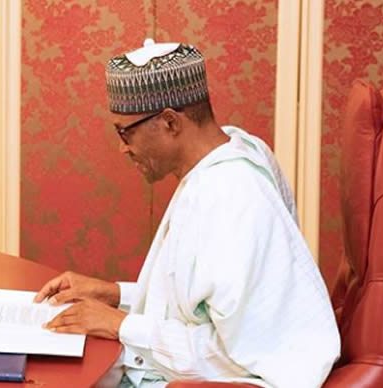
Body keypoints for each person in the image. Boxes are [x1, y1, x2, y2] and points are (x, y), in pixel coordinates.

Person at [34, 39, 340, 388]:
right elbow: (196, 305)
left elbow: (235, 357)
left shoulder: (231, 195)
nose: (122, 148)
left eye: (125, 132)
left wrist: (119, 324)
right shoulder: (231, 154)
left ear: (169, 122)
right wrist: (115, 295)